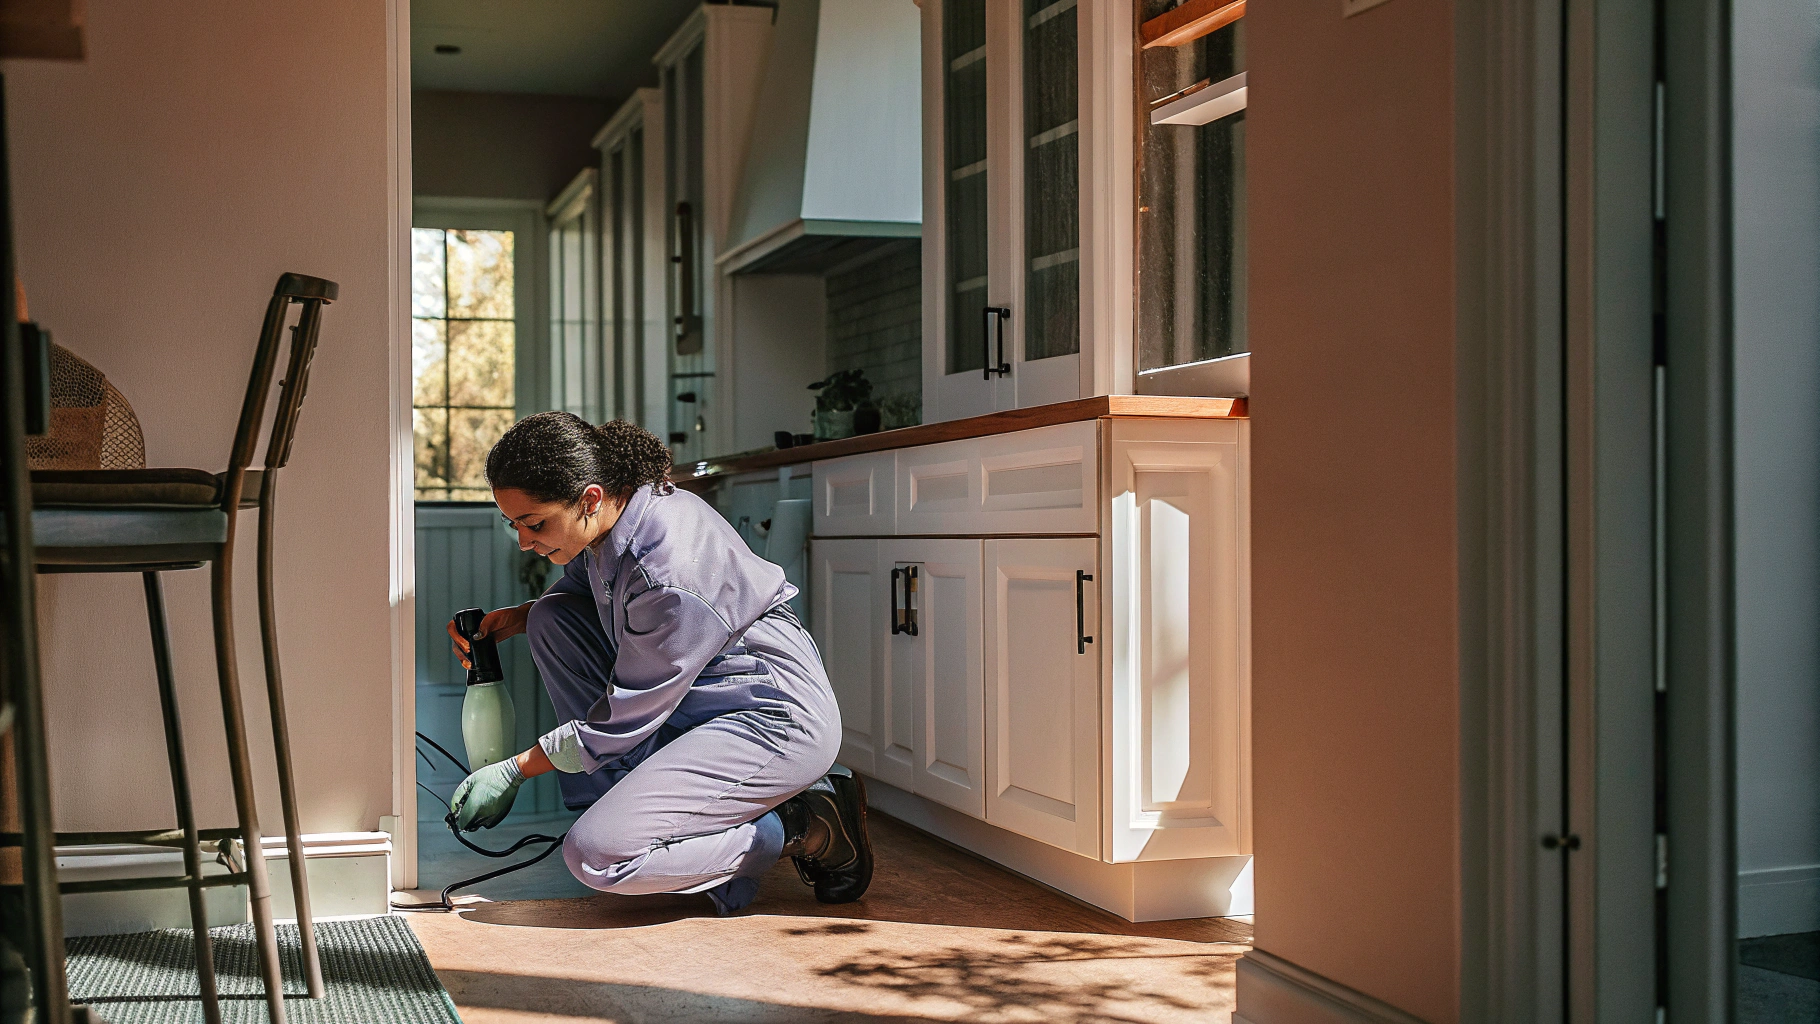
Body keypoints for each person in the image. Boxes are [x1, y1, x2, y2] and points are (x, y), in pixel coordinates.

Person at [444, 412, 871, 914]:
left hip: (769, 721)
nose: (523, 540)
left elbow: (622, 719)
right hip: (693, 702)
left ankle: (806, 826)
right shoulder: (616, 518)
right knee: (552, 617)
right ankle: (659, 828)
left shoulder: (665, 570)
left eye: (534, 523)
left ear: (589, 498)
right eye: (512, 523)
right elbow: (588, 592)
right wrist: (518, 617)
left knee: (596, 857)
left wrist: (516, 769)